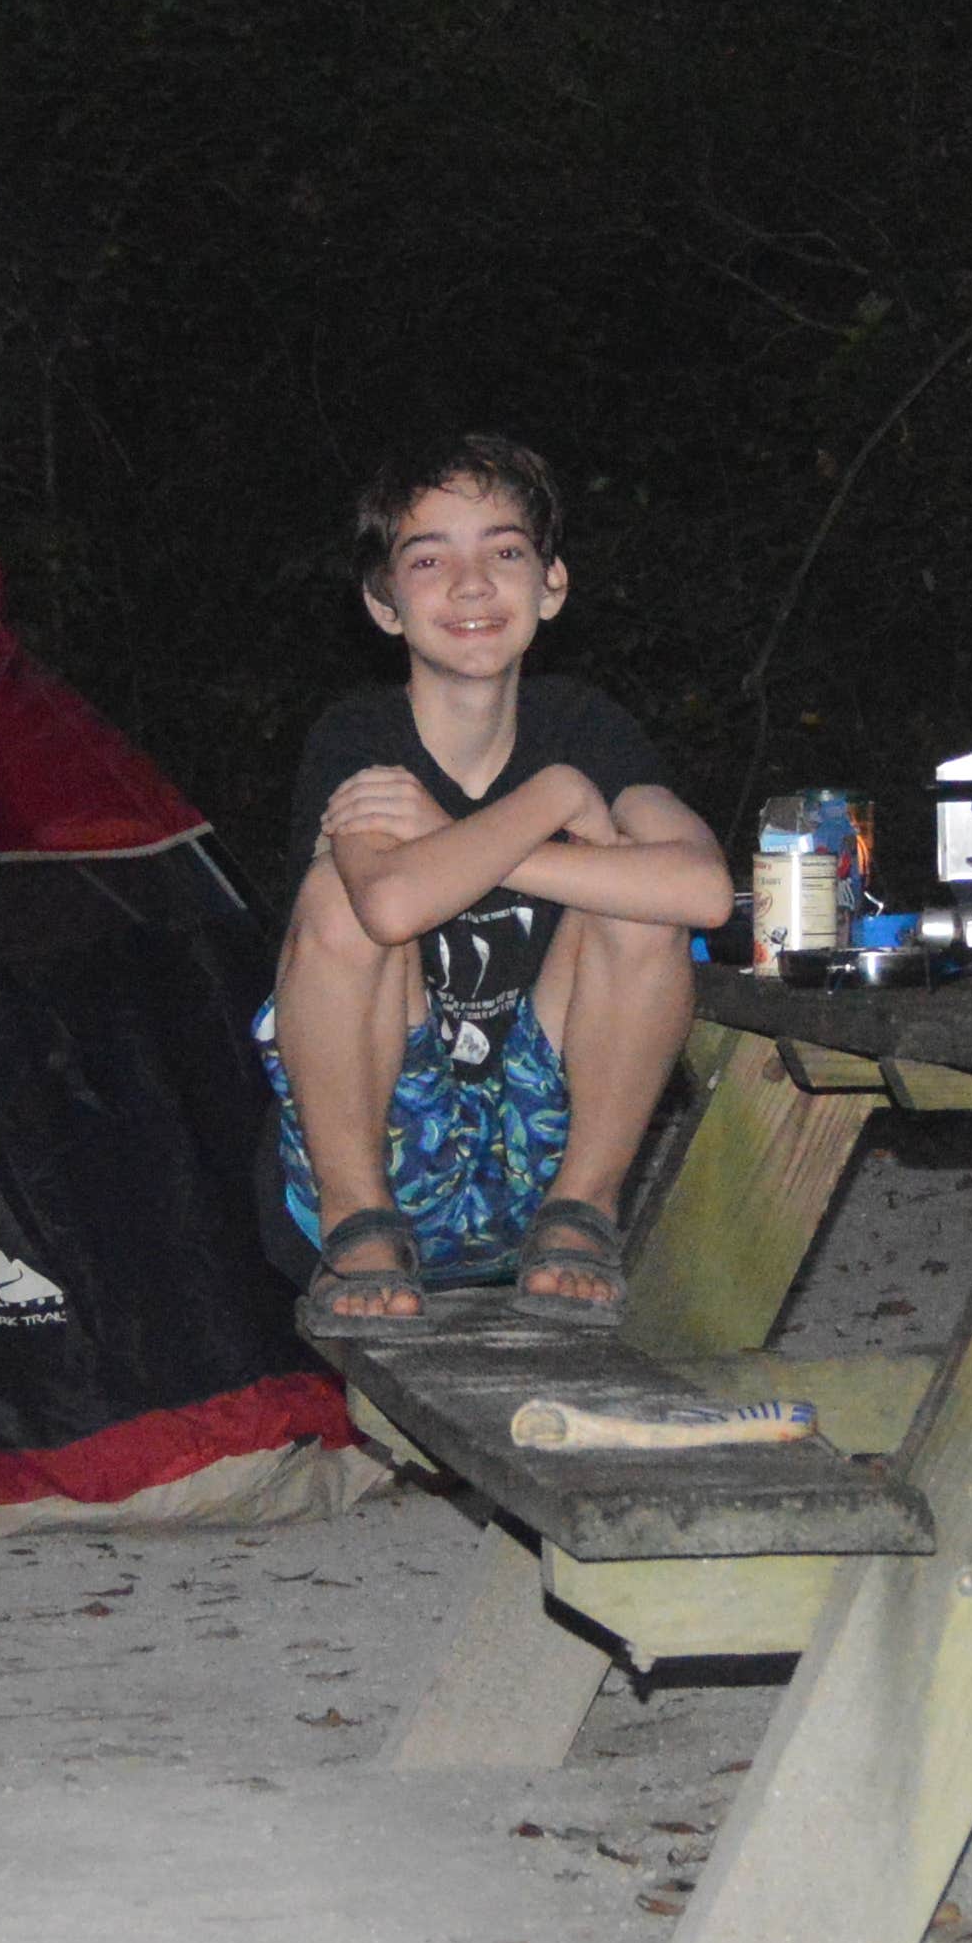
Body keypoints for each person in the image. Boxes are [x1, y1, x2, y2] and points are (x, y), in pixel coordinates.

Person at [267, 434, 732, 1333]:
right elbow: (390, 905)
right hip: (390, 1149)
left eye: (505, 552)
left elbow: (704, 892)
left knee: (641, 903)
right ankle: (356, 1226)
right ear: (385, 604)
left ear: (551, 585)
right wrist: (556, 801)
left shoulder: (584, 727)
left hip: (540, 1157)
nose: (471, 584)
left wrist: (465, 834)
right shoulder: (359, 735)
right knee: (339, 897)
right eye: (428, 559)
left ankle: (584, 1209)